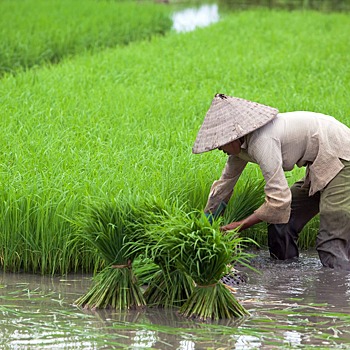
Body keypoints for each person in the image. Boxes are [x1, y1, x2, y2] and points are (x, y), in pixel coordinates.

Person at [192, 93, 350, 270]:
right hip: (320, 163)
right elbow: (224, 185)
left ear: (233, 136)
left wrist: (239, 226)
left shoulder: (263, 141)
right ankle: (287, 279)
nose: (219, 148)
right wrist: (205, 224)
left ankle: (339, 290)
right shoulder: (240, 148)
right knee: (282, 224)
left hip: (341, 155)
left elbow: (279, 200)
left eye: (220, 144)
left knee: (331, 242)